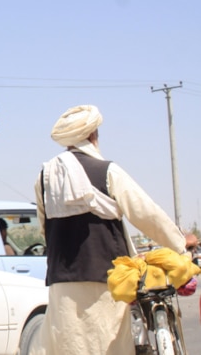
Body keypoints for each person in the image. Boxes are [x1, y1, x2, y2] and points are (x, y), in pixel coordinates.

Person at [31, 105, 189, 354]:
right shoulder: (107, 171)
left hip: (63, 281)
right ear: (93, 135)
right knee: (107, 344)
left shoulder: (46, 178)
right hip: (107, 281)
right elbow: (147, 213)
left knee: (69, 345)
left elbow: (44, 226)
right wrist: (180, 245)